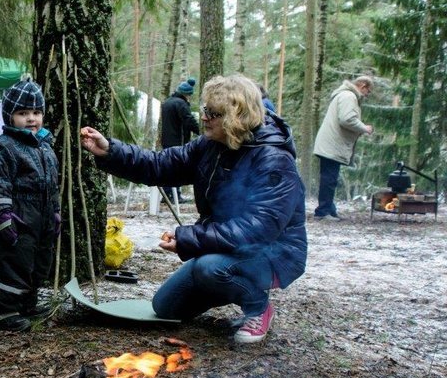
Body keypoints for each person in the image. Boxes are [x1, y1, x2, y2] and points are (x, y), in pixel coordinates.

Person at [81, 74, 307, 344]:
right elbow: (161, 164)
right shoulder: (212, 145)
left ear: (235, 116)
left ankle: (258, 307)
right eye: (204, 110)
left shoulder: (273, 160)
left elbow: (256, 230)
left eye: (212, 113)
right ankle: (228, 284)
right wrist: (110, 152)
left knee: (210, 269)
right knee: (165, 306)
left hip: (274, 255)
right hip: (225, 248)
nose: (203, 117)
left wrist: (189, 239)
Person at [0, 77, 60, 332]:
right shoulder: (2, 148)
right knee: (15, 263)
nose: (31, 119)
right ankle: (5, 311)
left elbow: (53, 182)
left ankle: (27, 303)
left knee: (39, 262)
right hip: (18, 217)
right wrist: (3, 215)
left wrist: (55, 211)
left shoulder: (45, 146)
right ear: (10, 115)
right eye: (23, 113)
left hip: (43, 217)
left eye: (36, 112)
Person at [313, 76, 374, 221]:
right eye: (368, 91)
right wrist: (364, 128)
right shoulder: (349, 96)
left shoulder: (344, 95)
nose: (367, 95)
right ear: (363, 86)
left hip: (331, 143)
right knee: (329, 179)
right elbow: (347, 119)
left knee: (331, 178)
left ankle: (329, 208)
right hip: (332, 144)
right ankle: (322, 212)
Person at [161, 78, 200, 203]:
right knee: (176, 168)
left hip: (167, 140)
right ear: (186, 94)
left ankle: (167, 195)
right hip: (178, 140)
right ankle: (174, 196)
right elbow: (188, 120)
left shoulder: (167, 102)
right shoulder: (181, 104)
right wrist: (201, 131)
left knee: (167, 167)